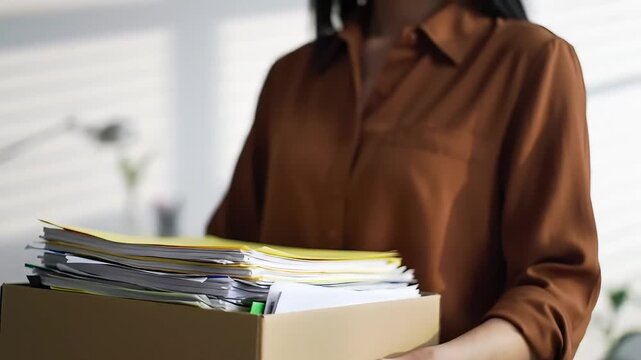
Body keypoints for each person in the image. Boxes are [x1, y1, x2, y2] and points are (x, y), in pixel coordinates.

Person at [206, 0, 601, 359]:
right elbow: (228, 260)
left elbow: (557, 284)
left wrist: (445, 358)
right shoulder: (289, 77)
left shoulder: (532, 62)